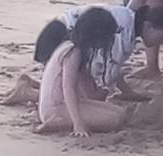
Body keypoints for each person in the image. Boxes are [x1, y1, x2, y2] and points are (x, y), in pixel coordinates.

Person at [1, 4, 163, 106]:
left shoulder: (128, 19)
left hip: (58, 36)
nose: (159, 43)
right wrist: (98, 98)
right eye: (161, 37)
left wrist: (127, 92)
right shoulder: (123, 32)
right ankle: (28, 93)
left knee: (82, 91)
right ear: (149, 26)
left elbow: (113, 69)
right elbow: (106, 73)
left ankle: (31, 84)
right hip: (57, 42)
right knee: (82, 100)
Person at [36, 7, 129, 136]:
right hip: (56, 107)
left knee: (120, 113)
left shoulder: (77, 49)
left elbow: (85, 84)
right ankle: (58, 123)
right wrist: (78, 123)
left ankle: (64, 120)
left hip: (61, 104)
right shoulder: (73, 52)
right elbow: (68, 88)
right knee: (114, 120)